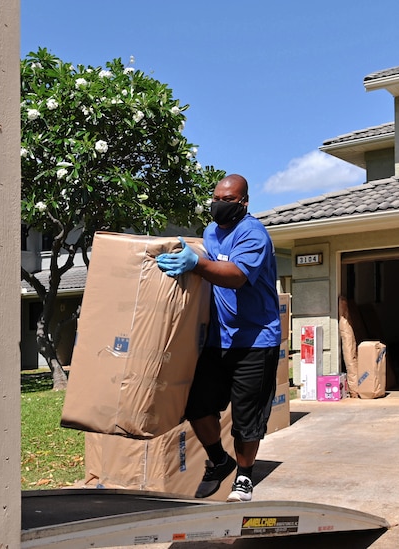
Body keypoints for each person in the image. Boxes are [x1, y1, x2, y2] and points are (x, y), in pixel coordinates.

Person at [156, 173, 281, 502]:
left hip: (256, 342)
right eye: (216, 198)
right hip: (218, 340)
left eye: (227, 200)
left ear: (244, 203)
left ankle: (244, 476)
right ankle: (220, 461)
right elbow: (205, 262)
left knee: (246, 420)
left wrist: (196, 264)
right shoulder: (211, 231)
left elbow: (237, 276)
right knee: (196, 406)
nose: (219, 205)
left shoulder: (253, 235)